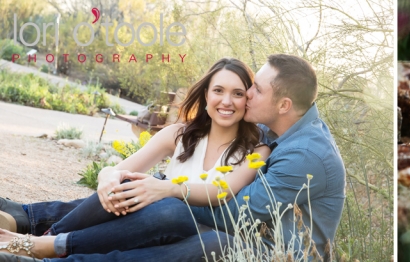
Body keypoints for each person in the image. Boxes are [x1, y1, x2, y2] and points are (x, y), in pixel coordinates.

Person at [0, 54, 346, 261]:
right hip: (245, 232)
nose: (246, 96)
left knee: (171, 210)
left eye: (253, 90)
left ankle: (47, 244)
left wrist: (168, 189)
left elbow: (238, 210)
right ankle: (34, 232)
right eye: (224, 91)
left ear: (284, 105)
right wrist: (137, 183)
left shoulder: (298, 152)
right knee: (141, 191)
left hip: (273, 250)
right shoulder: (279, 131)